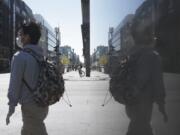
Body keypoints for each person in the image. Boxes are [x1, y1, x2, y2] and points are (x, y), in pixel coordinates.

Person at [124, 10, 168, 135]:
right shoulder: (152, 56)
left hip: (129, 101)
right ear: (148, 35)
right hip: (143, 103)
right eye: (151, 33)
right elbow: (158, 84)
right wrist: (161, 106)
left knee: (134, 127)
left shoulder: (131, 54)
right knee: (143, 128)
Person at [6, 22, 49, 135]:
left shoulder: (20, 57)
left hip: (30, 106)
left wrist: (11, 106)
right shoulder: (41, 56)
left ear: (27, 37)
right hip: (43, 104)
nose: (19, 37)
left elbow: (14, 84)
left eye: (21, 34)